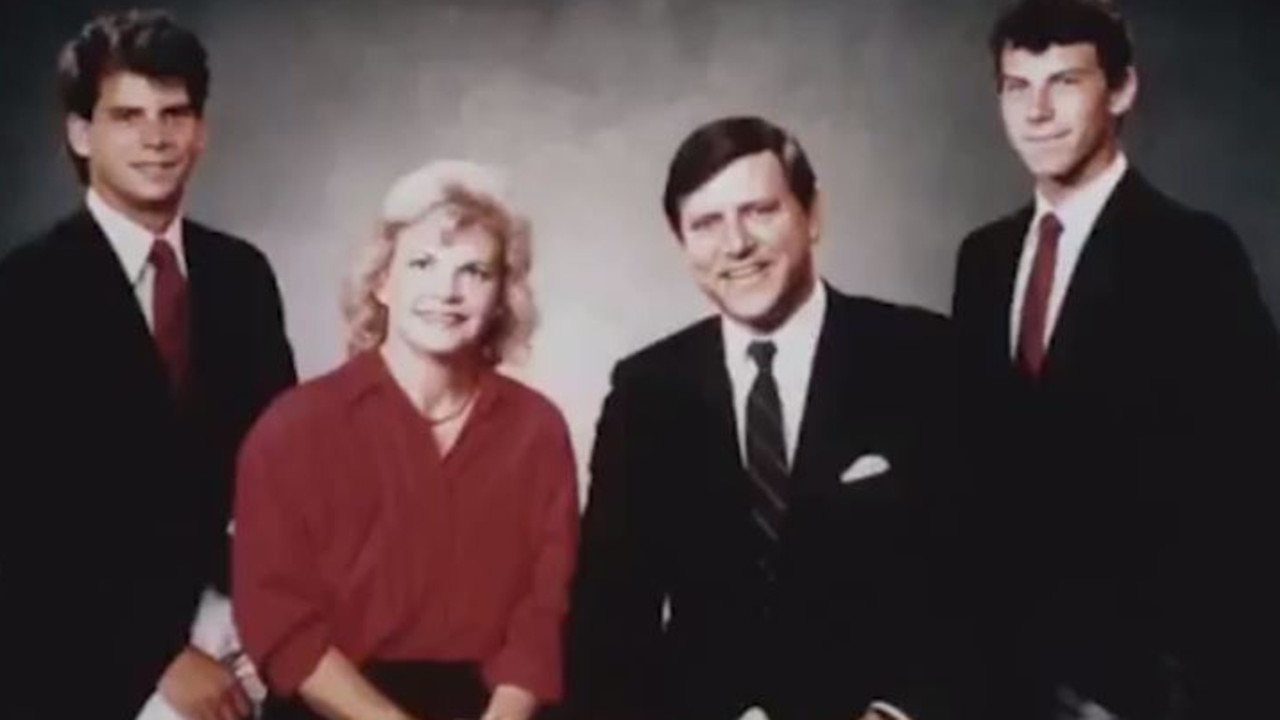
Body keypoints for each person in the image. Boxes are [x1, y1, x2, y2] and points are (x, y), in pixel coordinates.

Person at [564, 116, 961, 720]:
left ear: (813, 214)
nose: (736, 244)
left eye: (759, 211)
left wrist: (902, 712)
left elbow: (984, 583)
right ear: (682, 243)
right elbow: (608, 622)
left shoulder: (923, 357)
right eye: (706, 224)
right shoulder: (646, 391)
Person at [950, 1, 1280, 718]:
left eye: (1064, 82)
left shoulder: (1192, 253)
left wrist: (1170, 693)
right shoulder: (984, 259)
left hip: (1145, 681)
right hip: (1004, 677)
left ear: (1122, 90)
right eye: (1016, 86)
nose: (1037, 111)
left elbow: (1243, 491)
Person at [0, 8, 297, 719]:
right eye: (127, 115)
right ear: (81, 133)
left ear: (201, 131)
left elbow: (283, 473)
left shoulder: (240, 275)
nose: (156, 138)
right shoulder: (25, 291)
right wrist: (155, 652)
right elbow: (24, 525)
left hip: (240, 622)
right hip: (91, 652)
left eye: (175, 114)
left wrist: (276, 617)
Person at [233, 159, 579, 720]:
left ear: (501, 297)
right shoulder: (294, 429)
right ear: (382, 282)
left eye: (476, 271)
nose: (448, 290)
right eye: (423, 263)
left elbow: (543, 615)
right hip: (338, 707)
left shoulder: (537, 431)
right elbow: (279, 621)